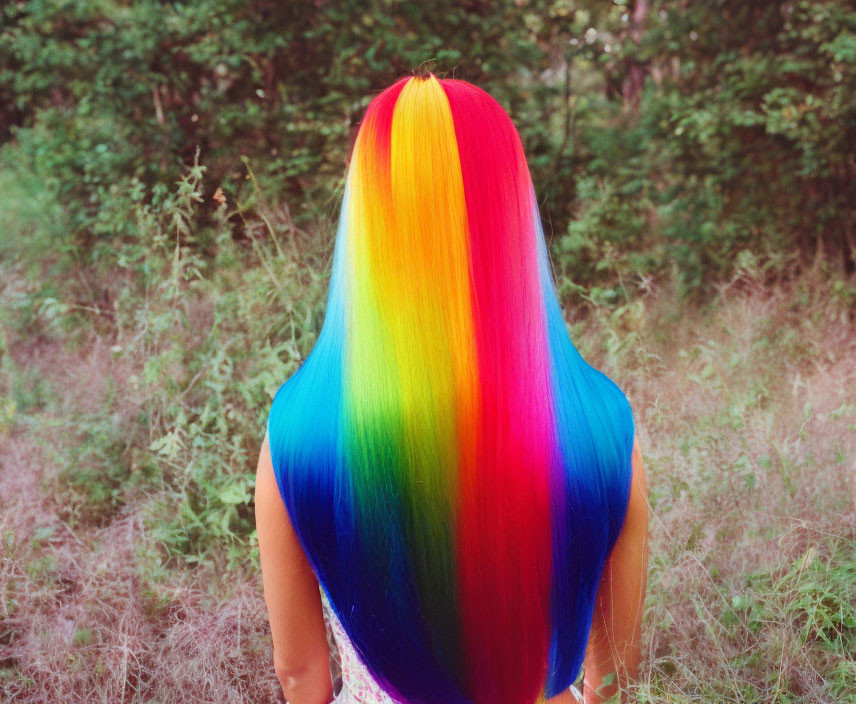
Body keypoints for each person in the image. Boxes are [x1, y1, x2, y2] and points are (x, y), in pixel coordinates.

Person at [255, 73, 649, 704]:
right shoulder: (604, 426)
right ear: (512, 210)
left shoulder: (296, 436)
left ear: (368, 222)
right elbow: (615, 671)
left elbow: (299, 673)